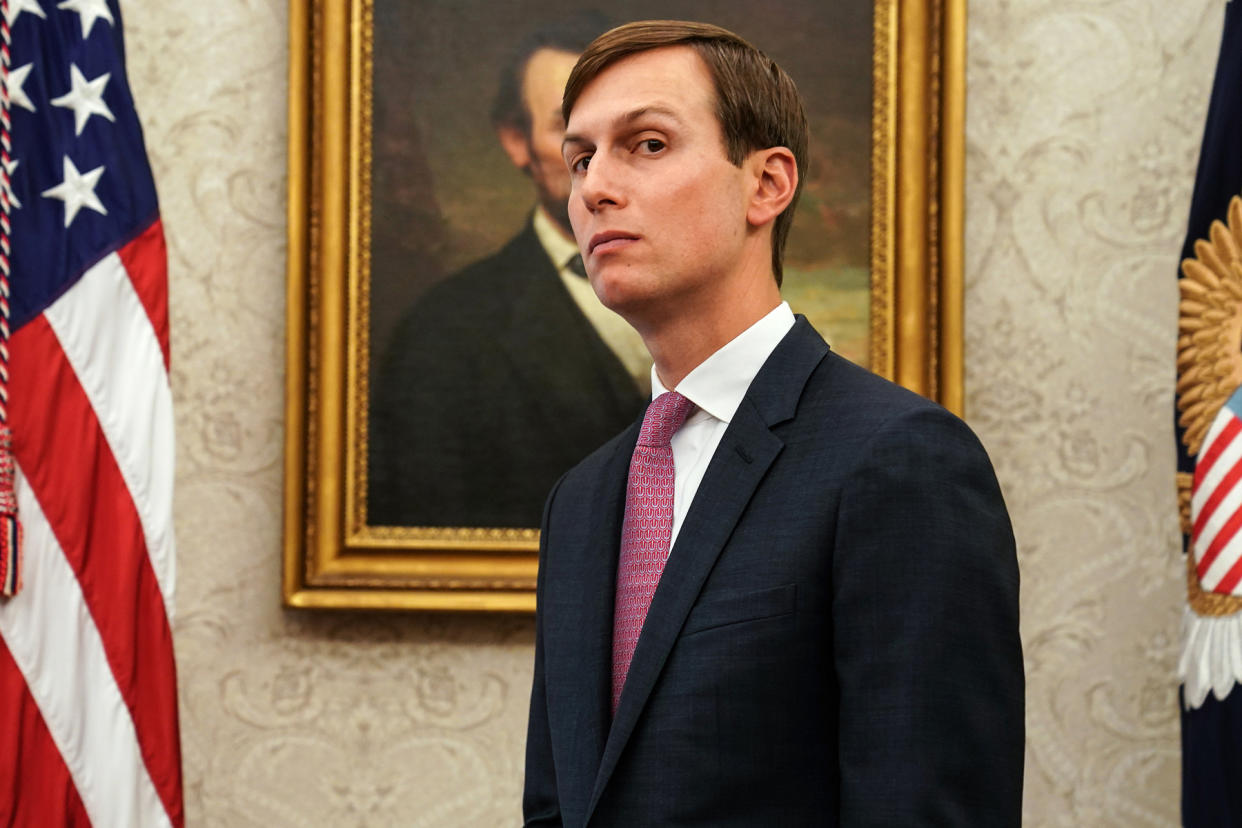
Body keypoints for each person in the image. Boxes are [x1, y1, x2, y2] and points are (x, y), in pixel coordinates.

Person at [523, 20, 1024, 826]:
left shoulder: (900, 461)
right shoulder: (580, 501)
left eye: (646, 144)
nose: (593, 189)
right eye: (581, 158)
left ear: (767, 184)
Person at [369, 14, 648, 528]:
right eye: (572, 129)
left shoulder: (719, 302)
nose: (604, 165)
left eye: (637, 136)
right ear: (516, 142)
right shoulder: (444, 334)